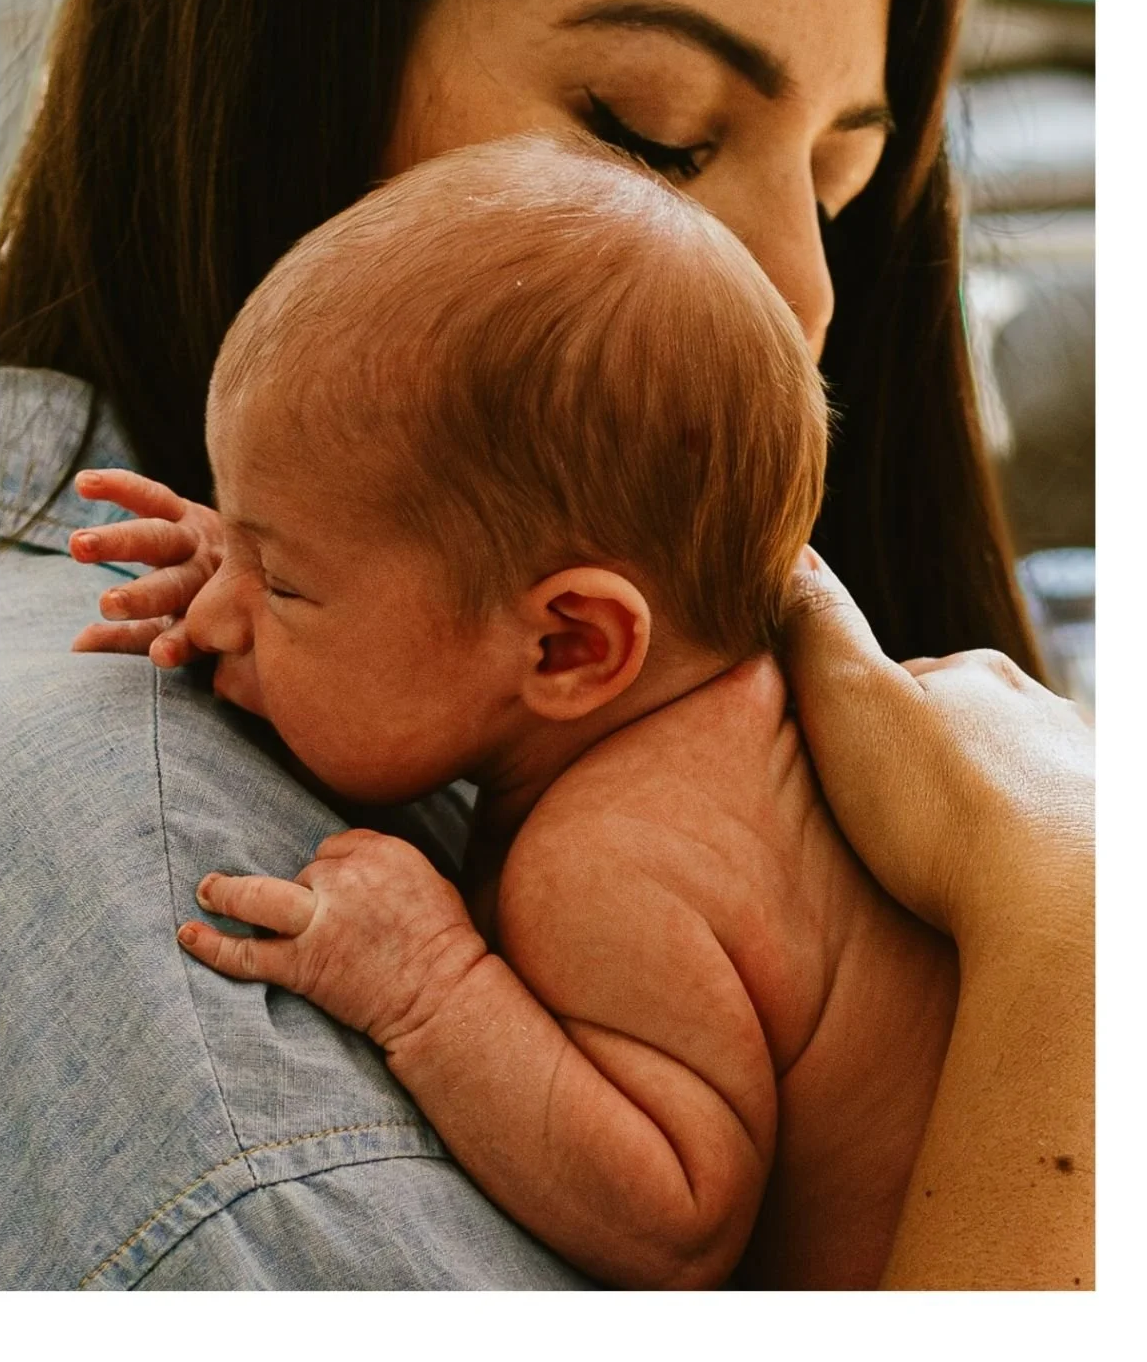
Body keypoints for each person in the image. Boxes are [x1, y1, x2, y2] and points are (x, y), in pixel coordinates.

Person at [0, 0, 1093, 1291]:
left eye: (845, 199)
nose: (802, 301)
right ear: (288, 55)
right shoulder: (152, 871)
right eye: (650, 136)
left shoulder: (651, 778)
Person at [68, 138, 959, 1290]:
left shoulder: (608, 866)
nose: (226, 614)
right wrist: (257, 560)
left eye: (283, 584)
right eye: (233, 539)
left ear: (570, 644)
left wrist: (431, 988)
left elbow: (680, 1224)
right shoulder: (717, 712)